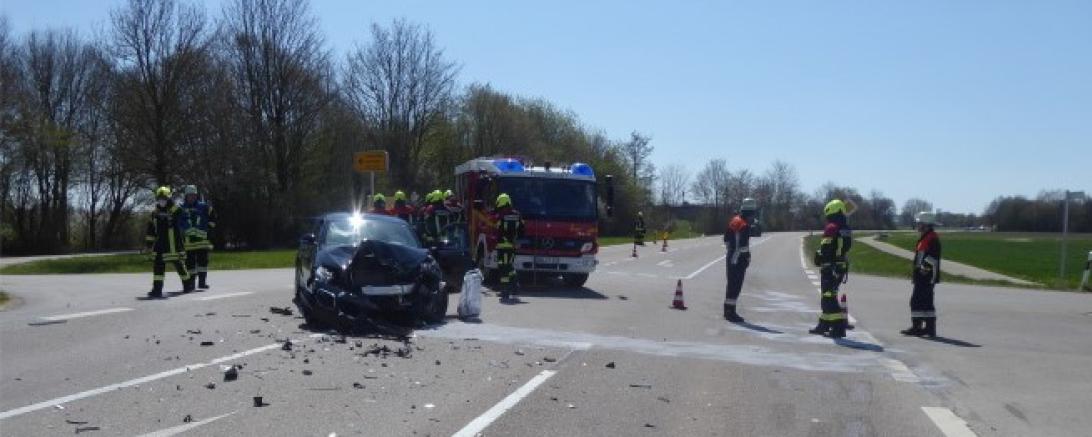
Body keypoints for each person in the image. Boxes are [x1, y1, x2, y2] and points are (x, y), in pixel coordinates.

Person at [809, 199, 853, 338]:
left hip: (831, 267)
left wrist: (819, 256)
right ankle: (824, 324)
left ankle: (838, 328)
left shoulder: (832, 227)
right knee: (827, 296)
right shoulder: (845, 228)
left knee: (828, 298)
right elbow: (842, 248)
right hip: (839, 266)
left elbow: (826, 249)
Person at [145, 186, 193, 298]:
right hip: (160, 246)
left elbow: (186, 223)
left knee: (180, 266)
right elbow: (151, 231)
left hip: (174, 245)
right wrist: (148, 245)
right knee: (158, 267)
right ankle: (157, 290)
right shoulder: (154, 213)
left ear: (169, 198)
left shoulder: (177, 211)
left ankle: (188, 285)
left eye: (164, 198)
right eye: (159, 198)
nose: (162, 200)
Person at [902, 212, 942, 337]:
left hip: (926, 277)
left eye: (919, 223)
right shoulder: (926, 237)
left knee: (917, 301)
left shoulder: (932, 238)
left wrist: (922, 271)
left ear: (925, 225)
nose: (917, 225)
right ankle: (928, 328)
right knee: (924, 302)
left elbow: (932, 258)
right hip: (923, 276)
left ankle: (918, 327)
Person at [723, 198, 757, 323]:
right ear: (750, 212)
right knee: (735, 286)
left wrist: (731, 252)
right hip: (738, 260)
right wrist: (747, 257)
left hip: (730, 256)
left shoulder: (734, 221)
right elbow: (743, 246)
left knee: (730, 285)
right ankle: (730, 313)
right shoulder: (744, 225)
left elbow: (726, 239)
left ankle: (728, 310)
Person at [180, 185, 217, 290]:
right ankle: (191, 283)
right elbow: (178, 221)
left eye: (193, 195)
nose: (191, 197)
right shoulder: (181, 208)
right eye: (189, 195)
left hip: (202, 241)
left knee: (203, 262)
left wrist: (210, 226)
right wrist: (182, 230)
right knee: (190, 263)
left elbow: (212, 216)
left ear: (196, 196)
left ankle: (202, 282)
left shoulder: (204, 206)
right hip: (189, 242)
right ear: (186, 196)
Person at [492, 193, 524, 301]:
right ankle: (515, 286)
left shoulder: (501, 216)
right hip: (513, 246)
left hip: (502, 245)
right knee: (509, 265)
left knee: (503, 267)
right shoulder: (518, 215)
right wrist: (518, 240)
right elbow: (522, 229)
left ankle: (505, 290)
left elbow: (497, 229)